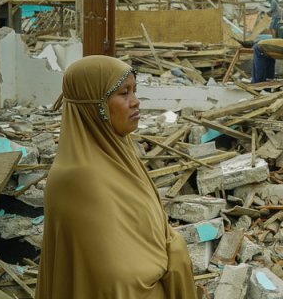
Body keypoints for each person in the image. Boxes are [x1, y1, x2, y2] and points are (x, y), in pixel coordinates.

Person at [36, 56, 199, 299]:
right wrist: (171, 256)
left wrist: (173, 249)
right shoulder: (77, 179)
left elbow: (151, 229)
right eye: (124, 93)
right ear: (95, 106)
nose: (136, 102)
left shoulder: (120, 153)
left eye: (134, 91)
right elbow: (117, 276)